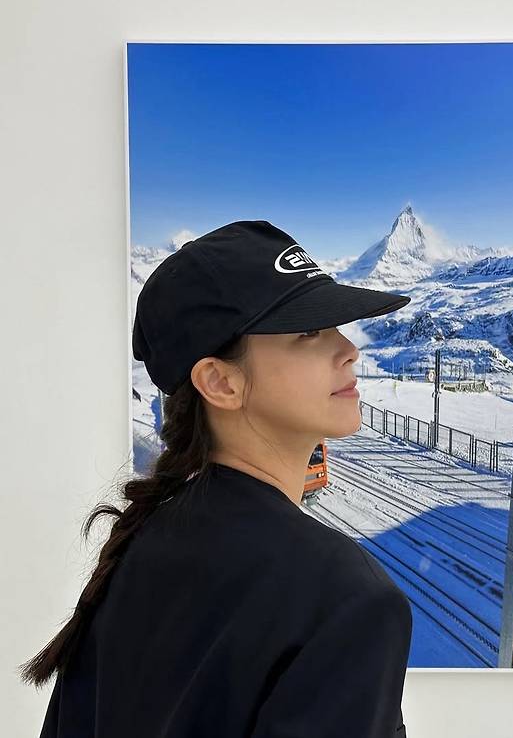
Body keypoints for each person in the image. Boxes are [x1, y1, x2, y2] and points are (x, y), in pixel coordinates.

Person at [20, 219, 414, 737]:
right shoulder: (346, 601)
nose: (349, 350)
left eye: (337, 327)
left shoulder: (138, 546)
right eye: (309, 332)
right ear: (220, 382)